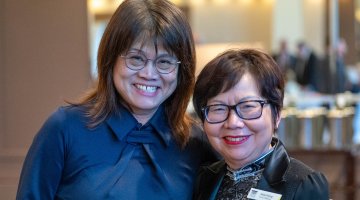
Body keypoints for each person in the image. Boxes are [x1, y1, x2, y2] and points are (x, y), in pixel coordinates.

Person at [16, 0, 217, 199]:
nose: (148, 74)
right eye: (136, 58)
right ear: (111, 59)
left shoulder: (196, 142)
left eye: (164, 62)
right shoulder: (65, 129)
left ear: (182, 71)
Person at [192, 49, 329, 200]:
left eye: (248, 106)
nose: (233, 123)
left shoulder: (302, 185)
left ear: (276, 114)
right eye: (218, 108)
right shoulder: (203, 179)